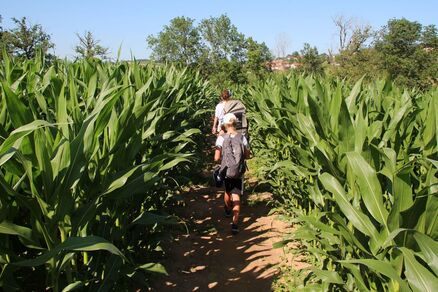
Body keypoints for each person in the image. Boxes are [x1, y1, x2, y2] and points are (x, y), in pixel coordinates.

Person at [214, 113, 250, 235]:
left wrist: (225, 159)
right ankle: (235, 225)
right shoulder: (242, 137)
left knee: (227, 191)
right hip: (238, 172)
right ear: (236, 123)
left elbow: (216, 157)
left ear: (224, 124)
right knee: (237, 196)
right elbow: (247, 155)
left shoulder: (221, 138)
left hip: (226, 171)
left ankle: (227, 209)